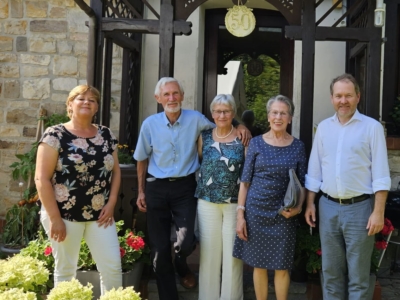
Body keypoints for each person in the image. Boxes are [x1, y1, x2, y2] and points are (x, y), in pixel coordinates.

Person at [134, 77, 250, 300]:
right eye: (166, 94)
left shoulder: (196, 120)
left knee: (186, 242)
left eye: (175, 93)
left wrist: (240, 124)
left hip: (185, 187)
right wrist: (140, 191)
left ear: (182, 96)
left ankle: (181, 263)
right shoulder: (150, 124)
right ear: (158, 98)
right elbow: (141, 159)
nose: (171, 98)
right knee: (158, 251)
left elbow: (222, 123)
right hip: (156, 188)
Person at [305, 73, 391, 300]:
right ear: (332, 98)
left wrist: (378, 212)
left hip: (360, 210)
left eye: (348, 96)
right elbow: (315, 170)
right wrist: (310, 203)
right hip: (328, 207)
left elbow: (381, 174)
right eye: (338, 96)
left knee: (359, 278)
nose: (343, 101)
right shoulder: (323, 128)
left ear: (358, 97)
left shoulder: (372, 128)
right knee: (331, 274)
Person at [35, 85, 122, 293]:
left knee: (112, 267)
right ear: (70, 104)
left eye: (92, 100)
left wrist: (111, 204)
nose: (86, 102)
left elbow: (116, 172)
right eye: (81, 98)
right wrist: (55, 219)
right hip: (64, 214)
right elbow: (41, 178)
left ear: (96, 108)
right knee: (66, 270)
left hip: (101, 215)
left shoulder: (106, 134)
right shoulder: (55, 134)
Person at [234, 95, 306, 300]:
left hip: (285, 213)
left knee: (282, 266)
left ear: (290, 118)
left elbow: (302, 183)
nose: (278, 117)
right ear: (268, 117)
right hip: (257, 211)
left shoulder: (298, 146)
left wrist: (299, 207)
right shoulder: (256, 144)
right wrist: (241, 216)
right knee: (259, 265)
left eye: (283, 113)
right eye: (274, 112)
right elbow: (245, 182)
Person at [195, 94, 245, 300]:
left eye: (226, 111)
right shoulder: (204, 137)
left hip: (234, 203)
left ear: (233, 113)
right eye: (217, 111)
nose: (222, 115)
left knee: (233, 256)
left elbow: (247, 175)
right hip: (207, 202)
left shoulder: (243, 138)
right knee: (209, 254)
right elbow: (199, 162)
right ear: (212, 114)